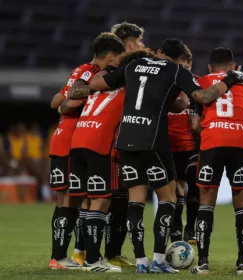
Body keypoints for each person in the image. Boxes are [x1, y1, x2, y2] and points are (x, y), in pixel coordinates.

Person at [88, 38, 243, 273]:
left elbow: (101, 83)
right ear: (178, 58)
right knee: (168, 198)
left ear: (159, 52)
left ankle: (141, 262)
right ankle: (157, 260)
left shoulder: (134, 65)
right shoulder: (176, 70)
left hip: (126, 138)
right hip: (153, 141)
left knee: (136, 199)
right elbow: (203, 97)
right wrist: (230, 78)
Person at [47, 32, 124, 270]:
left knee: (69, 198)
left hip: (63, 138)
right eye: (119, 57)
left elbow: (55, 103)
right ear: (110, 56)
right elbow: (66, 105)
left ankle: (62, 257)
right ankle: (74, 257)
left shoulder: (79, 70)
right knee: (80, 198)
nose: (120, 62)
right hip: (75, 138)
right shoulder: (93, 74)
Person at [189, 47, 243, 275]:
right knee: (242, 202)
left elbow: (193, 125)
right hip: (240, 143)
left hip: (212, 143)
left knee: (206, 200)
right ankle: (241, 263)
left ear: (211, 67)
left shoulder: (202, 81)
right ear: (233, 66)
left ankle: (203, 263)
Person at [102, 21, 145, 269]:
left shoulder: (111, 72)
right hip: (111, 144)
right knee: (107, 199)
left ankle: (108, 252)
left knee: (114, 199)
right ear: (129, 44)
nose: (142, 46)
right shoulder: (122, 73)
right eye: (139, 42)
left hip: (112, 142)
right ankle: (98, 253)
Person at [168, 45, 199, 245]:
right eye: (179, 66)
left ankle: (191, 227)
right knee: (177, 189)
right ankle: (177, 225)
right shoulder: (165, 83)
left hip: (192, 145)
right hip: (170, 145)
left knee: (193, 181)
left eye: (185, 66)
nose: (182, 70)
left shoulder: (195, 84)